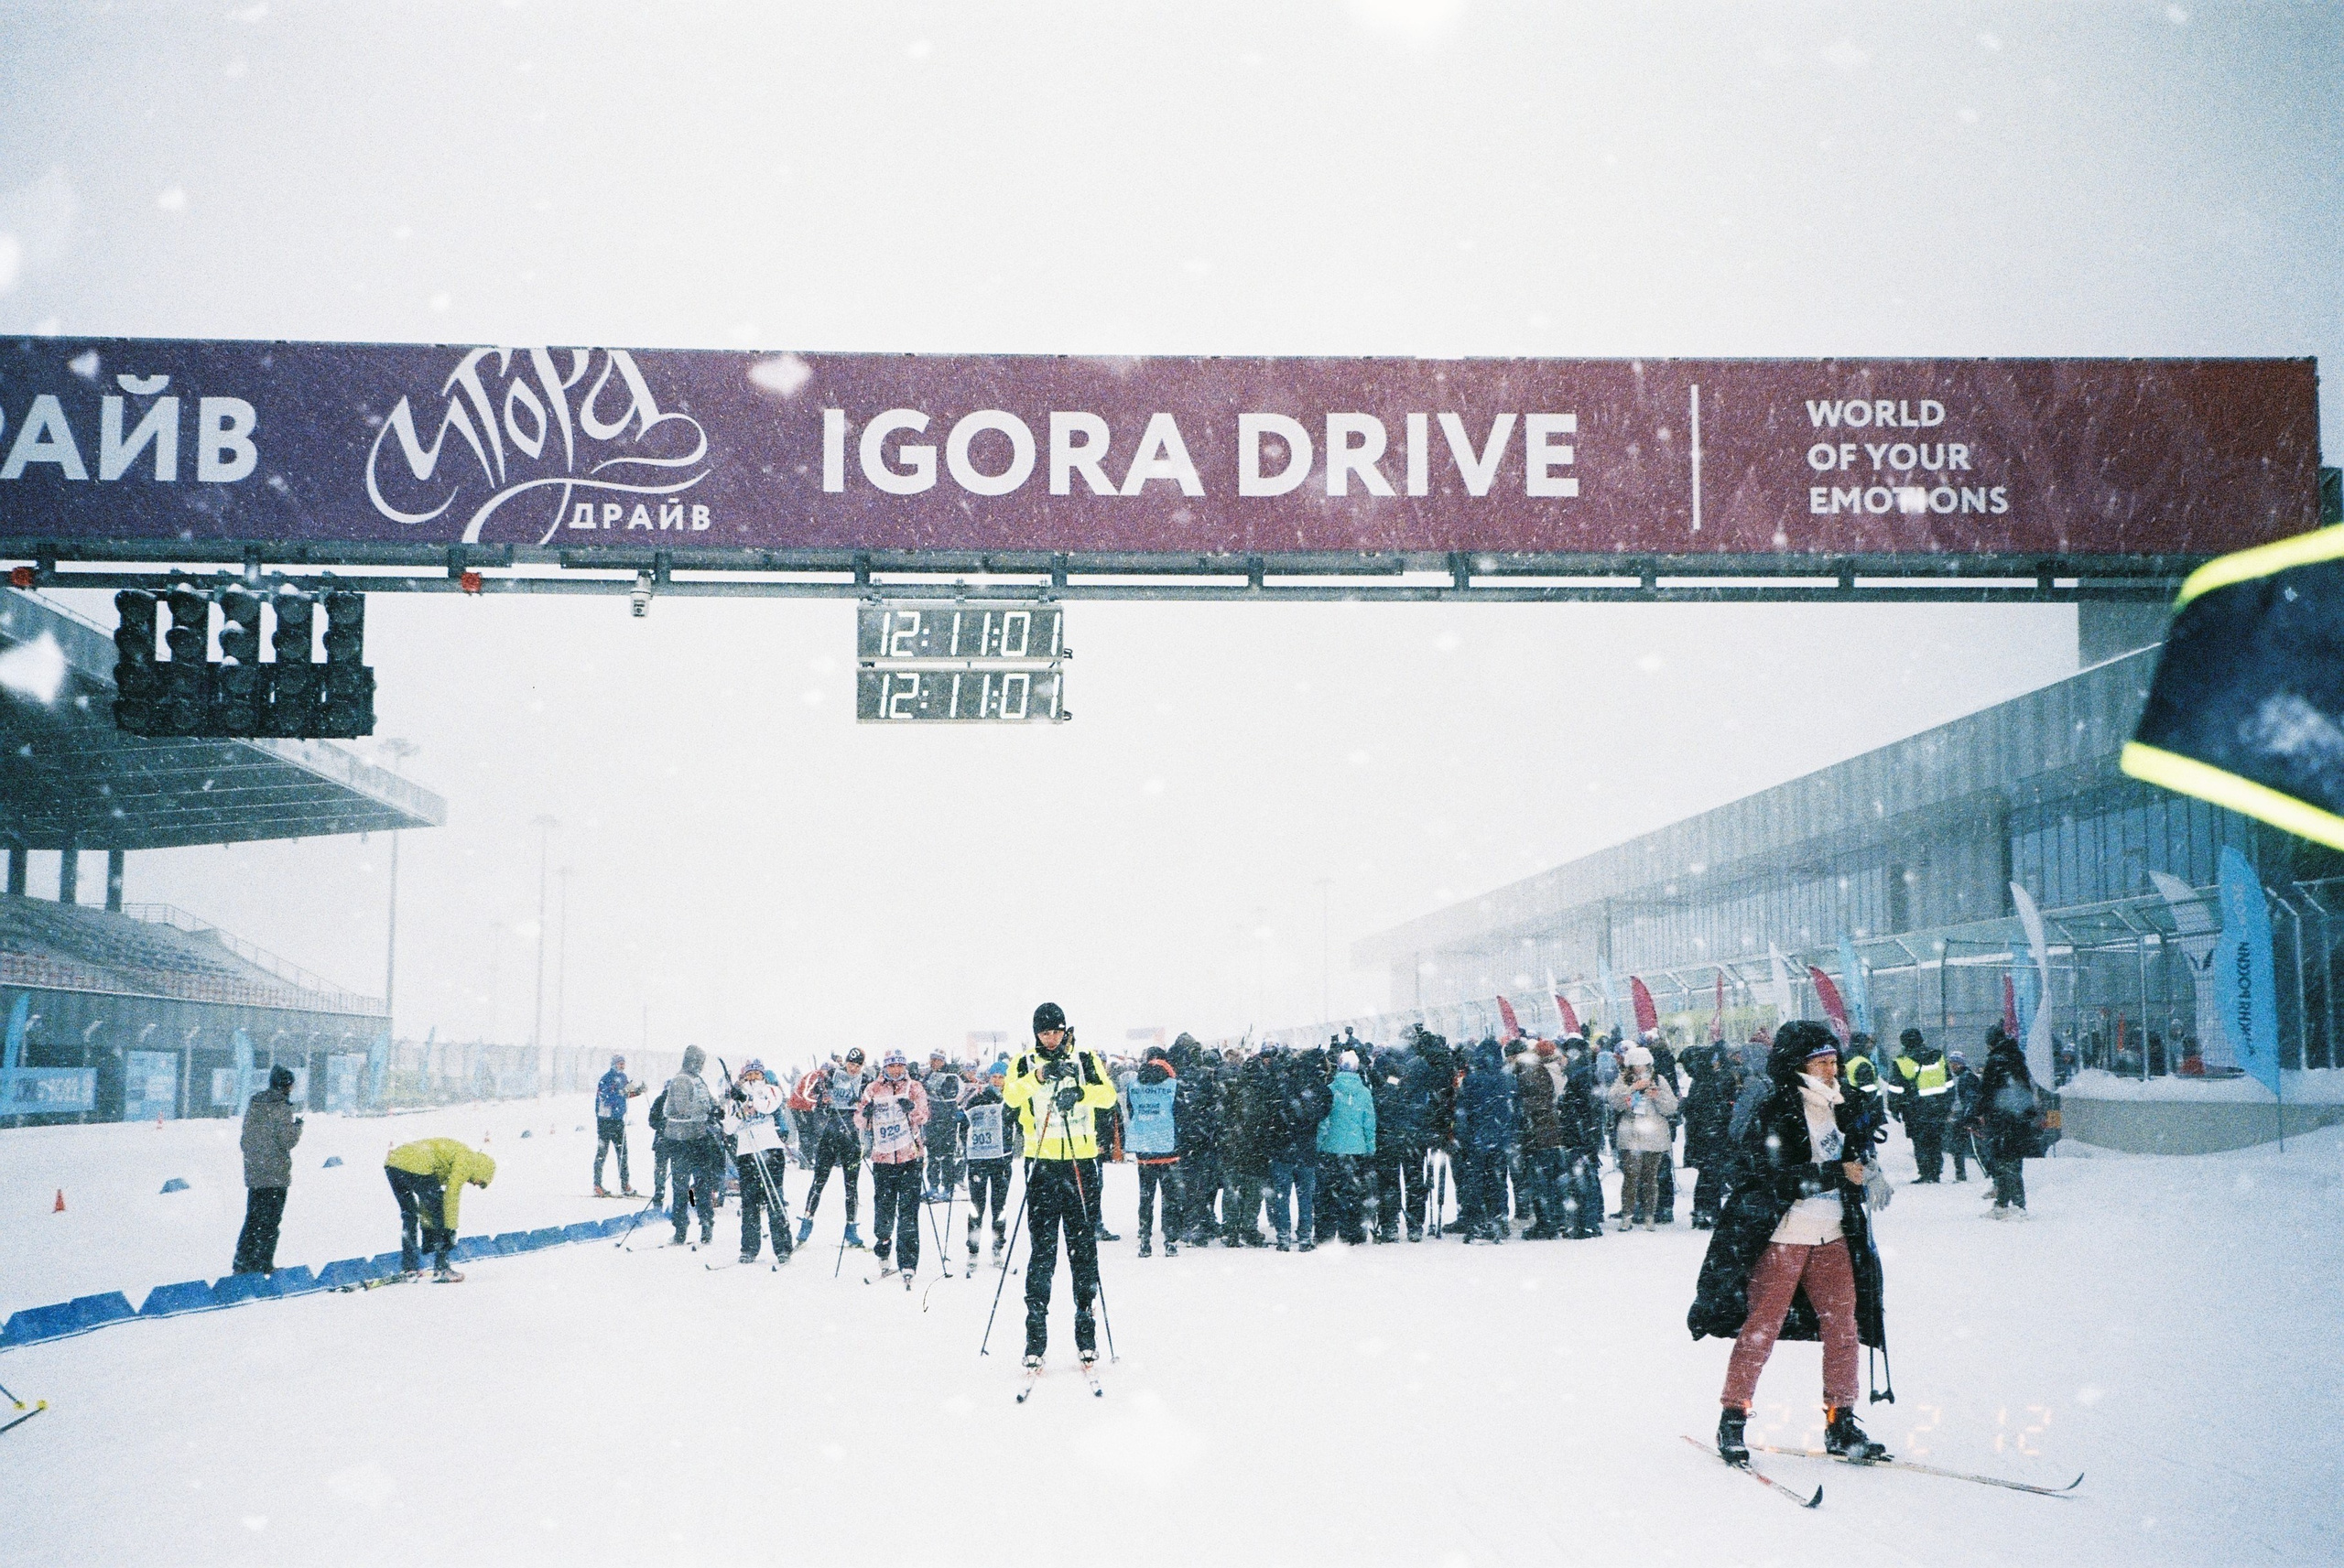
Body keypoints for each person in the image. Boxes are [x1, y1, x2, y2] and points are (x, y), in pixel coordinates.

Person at [1688, 1022, 1888, 1466]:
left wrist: (1869, 1168)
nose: (1831, 1070)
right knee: (1761, 1329)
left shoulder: (1846, 1105)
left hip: (1834, 1233)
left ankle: (1841, 1421)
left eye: (1834, 1061)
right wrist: (1836, 1173)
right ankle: (1733, 1418)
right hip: (1783, 1236)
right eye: (1821, 1063)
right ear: (1798, 1065)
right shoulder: (1778, 1109)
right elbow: (1769, 1176)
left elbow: (1856, 1156)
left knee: (1844, 1329)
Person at [1003, 1003, 1118, 1368]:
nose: (1051, 1038)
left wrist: (1081, 1093)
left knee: (1083, 1250)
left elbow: (1109, 1096)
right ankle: (1035, 1337)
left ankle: (1086, 1331)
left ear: (1065, 1031)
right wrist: (1038, 1077)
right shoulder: (1023, 1062)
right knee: (1042, 1251)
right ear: (1036, 1034)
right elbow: (1010, 1097)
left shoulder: (1085, 1059)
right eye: (1044, 1033)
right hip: (1041, 1164)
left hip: (1080, 1164)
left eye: (1056, 1032)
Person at [857, 1050, 930, 1282]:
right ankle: (883, 1250)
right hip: (883, 1158)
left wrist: (912, 1109)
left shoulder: (914, 1087)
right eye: (892, 1065)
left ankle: (908, 1262)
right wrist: (866, 1114)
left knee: (908, 1211)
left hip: (910, 1156)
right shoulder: (873, 1088)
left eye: (900, 1065)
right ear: (885, 1067)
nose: (896, 1070)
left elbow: (924, 1115)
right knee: (884, 1209)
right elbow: (859, 1120)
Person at [384, 1136, 495, 1282]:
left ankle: (410, 1268)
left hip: (393, 1164)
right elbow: (451, 1195)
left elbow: (426, 1198)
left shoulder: (459, 1155)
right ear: (482, 1169)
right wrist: (450, 1229)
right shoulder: (468, 1160)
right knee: (441, 1211)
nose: (476, 1184)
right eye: (481, 1182)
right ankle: (442, 1269)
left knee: (409, 1215)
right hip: (417, 1164)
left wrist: (428, 1229)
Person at [798, 1048, 871, 1248]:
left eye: (857, 1065)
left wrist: (863, 1104)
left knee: (851, 1185)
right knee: (819, 1181)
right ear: (845, 1062)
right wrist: (823, 1097)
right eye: (851, 1064)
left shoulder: (865, 1080)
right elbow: (810, 1096)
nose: (853, 1069)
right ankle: (806, 1222)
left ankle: (851, 1228)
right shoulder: (832, 1074)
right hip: (830, 1134)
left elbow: (870, 1104)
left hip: (851, 1135)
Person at [233, 1065, 303, 1274]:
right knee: (271, 1221)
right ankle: (263, 1263)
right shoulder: (281, 1107)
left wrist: (257, 1159)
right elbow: (287, 1141)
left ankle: (242, 1263)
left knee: (253, 1219)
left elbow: (245, 1141)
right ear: (286, 1086)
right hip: (275, 1175)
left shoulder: (255, 1105)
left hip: (255, 1173)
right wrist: (297, 1127)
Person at [725, 1060, 795, 1264]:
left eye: (757, 1073)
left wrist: (749, 1099)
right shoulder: (737, 1095)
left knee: (775, 1199)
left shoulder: (770, 1090)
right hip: (747, 1153)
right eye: (750, 1074)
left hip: (770, 1150)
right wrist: (740, 1111)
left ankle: (782, 1247)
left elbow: (768, 1106)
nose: (753, 1077)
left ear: (763, 1074)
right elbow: (728, 1127)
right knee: (749, 1202)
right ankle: (749, 1248)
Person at [1608, 1044, 1679, 1232]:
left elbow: (1671, 1107)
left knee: (1650, 1178)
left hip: (1653, 1135)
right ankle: (1627, 1216)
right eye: (1635, 1065)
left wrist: (1657, 1096)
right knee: (1630, 1177)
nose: (1639, 1069)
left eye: (1643, 1065)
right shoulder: (1623, 1080)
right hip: (1630, 1135)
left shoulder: (1659, 1080)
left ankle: (1650, 1216)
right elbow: (1615, 1103)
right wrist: (1632, 1090)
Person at [1120, 1044, 1183, 1256]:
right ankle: (1170, 1241)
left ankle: (1145, 1240)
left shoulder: (1134, 1085)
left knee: (1146, 1196)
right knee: (1170, 1197)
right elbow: (1180, 1113)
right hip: (1168, 1146)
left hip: (1144, 1147)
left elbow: (1132, 1111)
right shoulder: (1173, 1085)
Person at [1453, 1040, 1516, 1243]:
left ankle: (1478, 1222)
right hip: (1500, 1138)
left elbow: (1463, 1112)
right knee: (1498, 1180)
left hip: (1477, 1139)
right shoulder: (1508, 1079)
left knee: (1476, 1181)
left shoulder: (1472, 1080)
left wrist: (1463, 1138)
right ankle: (1499, 1219)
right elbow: (1513, 1111)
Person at [1268, 1045, 1329, 1251]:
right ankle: (1304, 1237)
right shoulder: (1318, 1089)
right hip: (1306, 1149)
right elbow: (1324, 1110)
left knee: (1282, 1196)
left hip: (1283, 1148)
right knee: (1305, 1197)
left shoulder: (1283, 1086)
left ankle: (1283, 1236)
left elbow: (1273, 1113)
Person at [1975, 1030, 2039, 1218]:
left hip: (2001, 1118)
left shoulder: (1996, 1061)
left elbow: (1987, 1090)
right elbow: (2026, 1088)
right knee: (2013, 1161)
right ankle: (2006, 1203)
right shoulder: (2017, 1059)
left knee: (2003, 1162)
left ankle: (2013, 1205)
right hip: (2019, 1118)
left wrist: (1980, 1111)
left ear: (1991, 1043)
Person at [1317, 1048, 1377, 1244]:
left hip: (1331, 1148)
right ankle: (1352, 1232)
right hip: (1356, 1148)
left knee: (1327, 1194)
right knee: (1353, 1193)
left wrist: (1319, 1144)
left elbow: (1324, 1122)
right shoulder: (1364, 1093)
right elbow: (1369, 1123)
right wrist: (1370, 1147)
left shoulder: (1331, 1090)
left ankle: (1325, 1233)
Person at [663, 1046, 721, 1248]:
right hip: (681, 1141)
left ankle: (706, 1224)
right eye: (700, 1062)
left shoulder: (698, 1080)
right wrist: (706, 1113)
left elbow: (710, 1101)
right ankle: (680, 1229)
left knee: (703, 1184)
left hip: (699, 1139)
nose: (702, 1066)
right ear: (692, 1061)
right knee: (682, 1187)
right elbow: (682, 1109)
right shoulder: (682, 1080)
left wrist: (717, 1108)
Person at [962, 1058, 1018, 1265]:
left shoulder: (1012, 1099)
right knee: (976, 1206)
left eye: (1001, 1077)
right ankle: (973, 1249)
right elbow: (965, 1123)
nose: (997, 1081)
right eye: (994, 1077)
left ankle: (997, 1247)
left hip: (1002, 1160)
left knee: (999, 1207)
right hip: (979, 1160)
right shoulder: (979, 1097)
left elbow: (1021, 1123)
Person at [1167, 1033, 1219, 1246]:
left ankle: (1181, 1224)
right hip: (1198, 1137)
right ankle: (1196, 1224)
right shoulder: (1203, 1076)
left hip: (1180, 1137)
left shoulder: (1171, 1075)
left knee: (1181, 1185)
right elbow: (1211, 1105)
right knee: (1199, 1184)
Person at [1514, 1038, 1568, 1238]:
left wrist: (1521, 1109)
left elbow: (1535, 1104)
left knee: (1539, 1181)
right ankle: (1556, 1218)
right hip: (1549, 1133)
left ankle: (1546, 1222)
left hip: (1538, 1135)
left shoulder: (1531, 1074)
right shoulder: (1545, 1071)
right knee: (1551, 1179)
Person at [1554, 1040, 1609, 1239]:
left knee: (1581, 1179)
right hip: (1585, 1134)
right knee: (1586, 1177)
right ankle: (1588, 1220)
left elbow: (1582, 1108)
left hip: (1579, 1135)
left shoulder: (1579, 1076)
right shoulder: (1587, 1073)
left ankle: (1585, 1222)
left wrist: (1565, 1106)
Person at [1890, 1028, 1954, 1182]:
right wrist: (1947, 1104)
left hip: (1915, 1110)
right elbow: (1949, 1083)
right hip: (1938, 1108)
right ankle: (1936, 1171)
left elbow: (1896, 1089)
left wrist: (1895, 1109)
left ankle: (1926, 1172)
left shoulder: (1902, 1062)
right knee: (1935, 1140)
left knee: (1920, 1142)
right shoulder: (1938, 1056)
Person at [593, 1054, 643, 1198]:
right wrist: (620, 1093)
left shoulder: (623, 1077)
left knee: (623, 1153)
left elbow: (627, 1094)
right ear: (614, 1064)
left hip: (618, 1120)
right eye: (620, 1063)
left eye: (623, 1063)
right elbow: (605, 1098)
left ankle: (625, 1184)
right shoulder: (606, 1078)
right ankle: (597, 1185)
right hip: (605, 1120)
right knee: (602, 1153)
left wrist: (638, 1091)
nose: (622, 1066)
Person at [922, 1048, 967, 1203]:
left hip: (947, 1118)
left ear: (943, 1060)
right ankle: (933, 1185)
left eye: (938, 1060)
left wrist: (933, 1091)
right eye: (932, 1059)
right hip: (932, 1119)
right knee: (932, 1154)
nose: (934, 1063)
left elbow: (950, 1093)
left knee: (947, 1155)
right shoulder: (929, 1074)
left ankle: (948, 1187)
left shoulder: (951, 1074)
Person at [1945, 1050, 1978, 1182]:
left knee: (1966, 1146)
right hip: (1960, 1115)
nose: (1953, 1066)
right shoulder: (1960, 1077)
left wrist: (1967, 1115)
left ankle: (1963, 1173)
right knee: (1958, 1146)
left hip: (1963, 1116)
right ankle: (1960, 1173)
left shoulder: (1966, 1077)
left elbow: (1970, 1099)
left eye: (1956, 1063)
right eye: (1951, 1063)